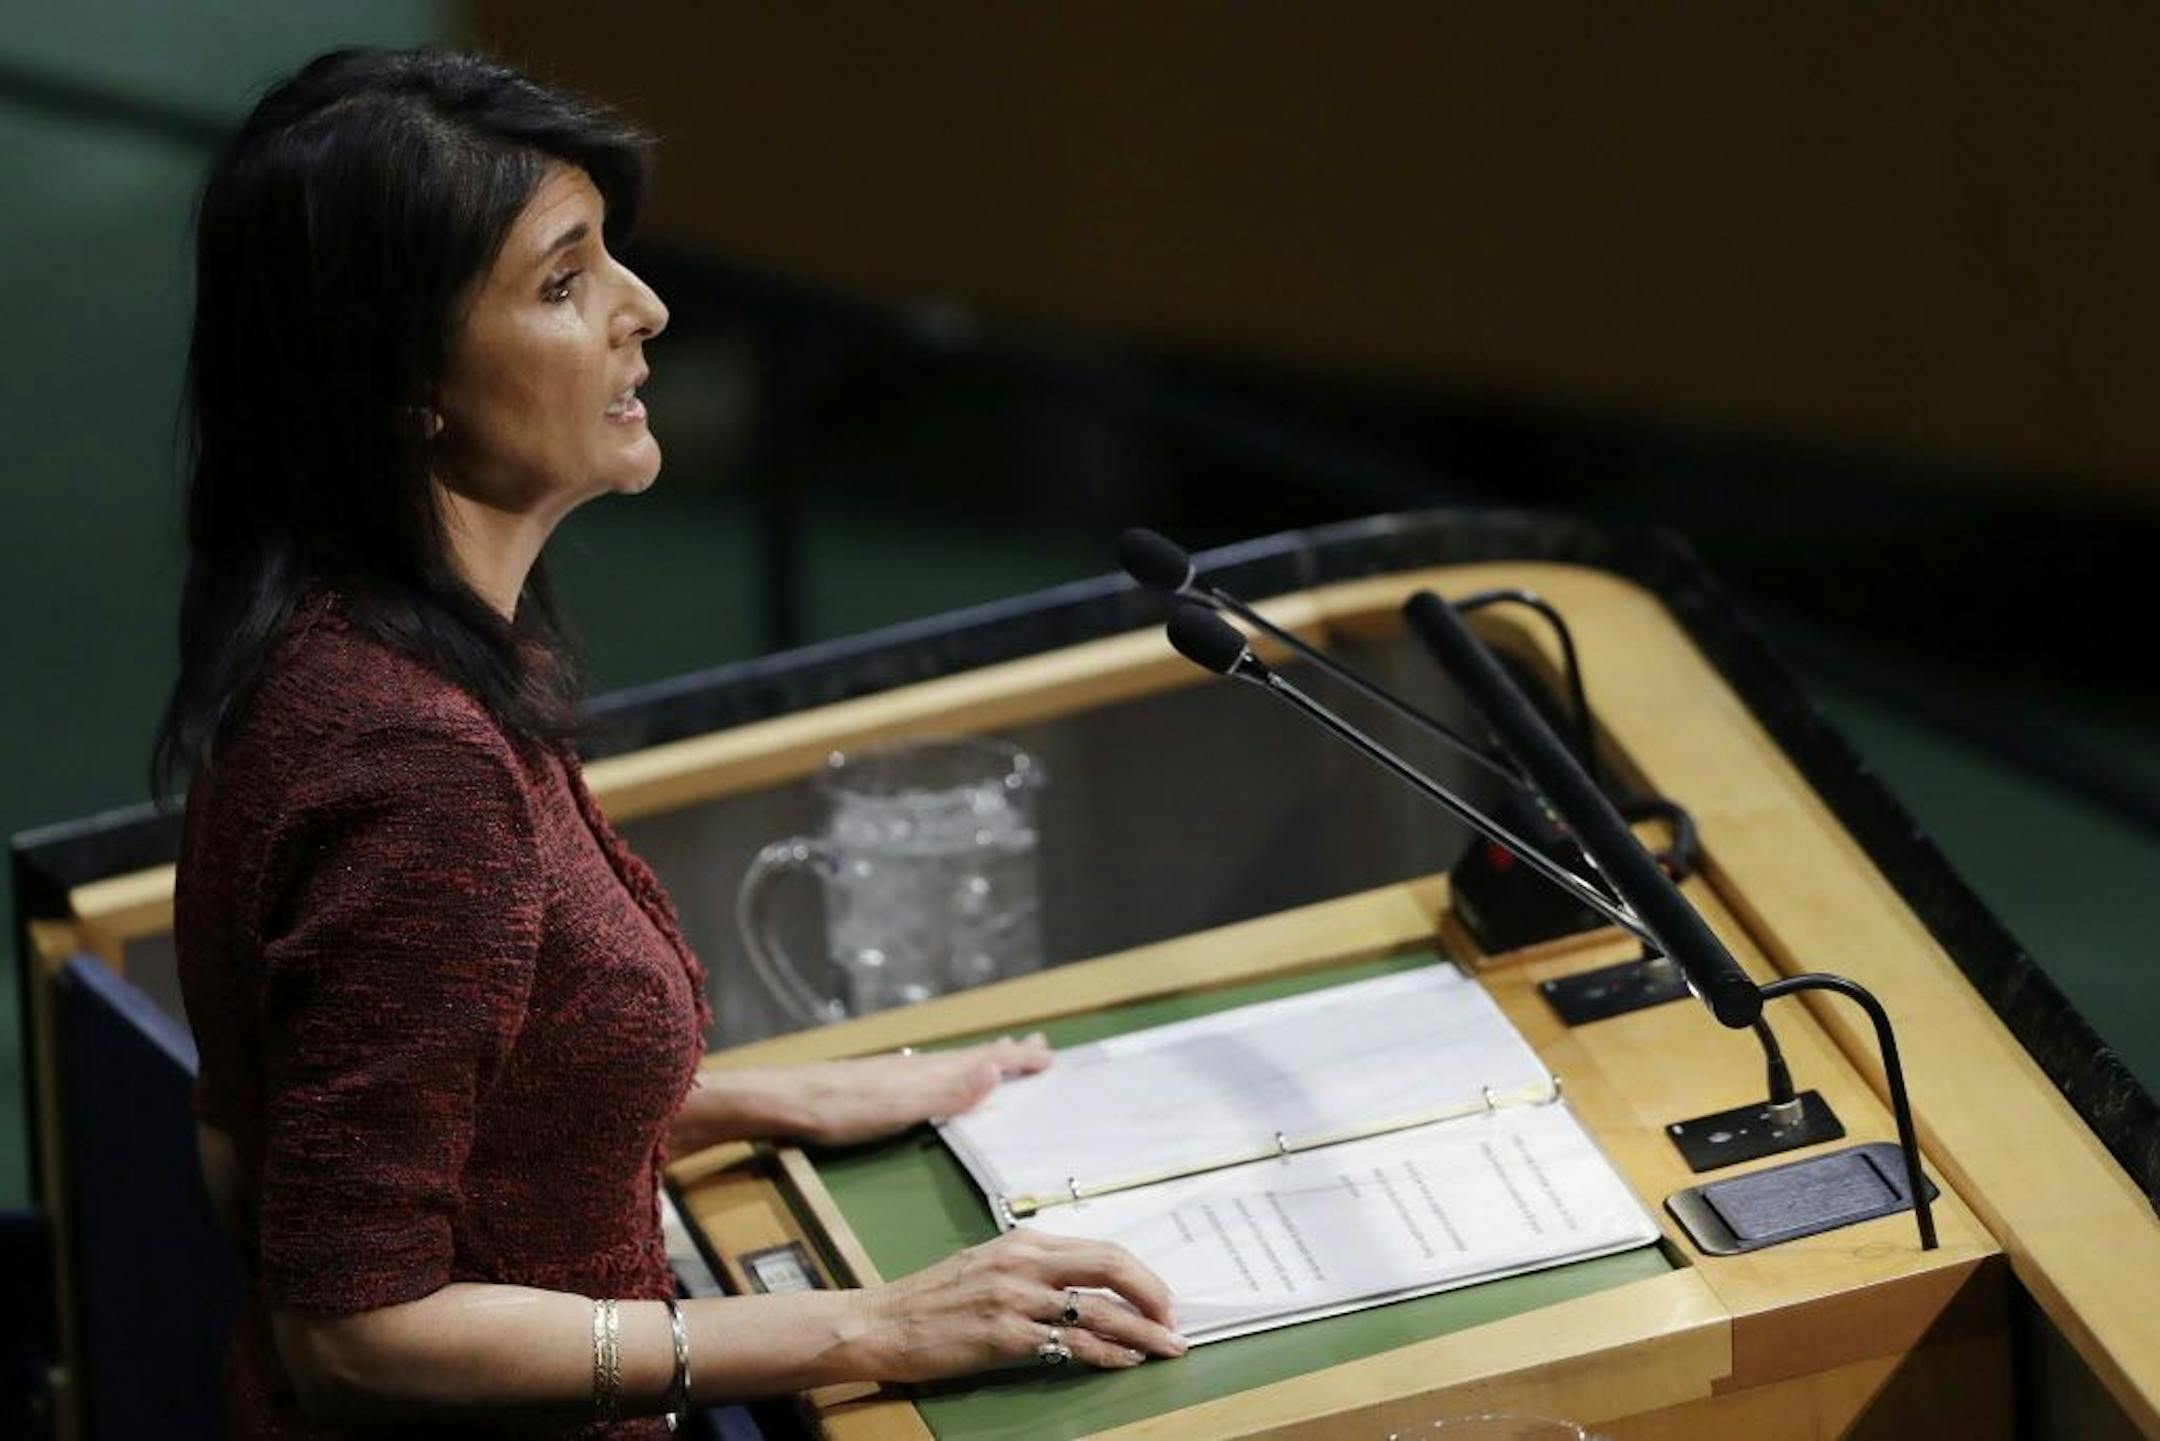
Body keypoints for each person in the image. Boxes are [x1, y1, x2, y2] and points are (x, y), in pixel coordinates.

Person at [158, 48, 1185, 1437]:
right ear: (404, 383)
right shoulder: (409, 765)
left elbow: (364, 1118)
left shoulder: (372, 646)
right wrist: (875, 1325)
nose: (644, 310)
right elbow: (356, 1326)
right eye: (564, 282)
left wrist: (770, 1097)